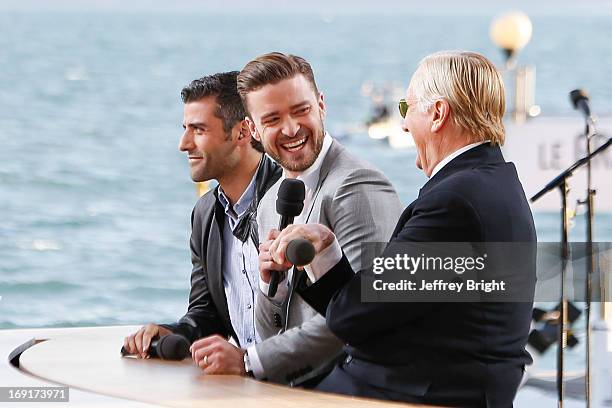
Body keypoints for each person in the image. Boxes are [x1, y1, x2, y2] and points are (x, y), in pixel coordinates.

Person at [264, 51, 537, 406]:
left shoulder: (454, 202)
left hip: (414, 392)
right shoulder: (494, 182)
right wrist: (325, 250)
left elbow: (357, 318)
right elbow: (379, 311)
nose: (404, 124)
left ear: (437, 114)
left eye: (408, 108)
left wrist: (324, 258)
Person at [190, 52, 402, 384]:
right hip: (290, 391)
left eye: (301, 110)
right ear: (254, 131)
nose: (291, 128)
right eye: (272, 119)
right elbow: (271, 330)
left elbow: (368, 316)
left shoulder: (358, 186)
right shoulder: (270, 201)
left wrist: (248, 361)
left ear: (321, 105)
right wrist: (269, 286)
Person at [123, 71, 281, 376]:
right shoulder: (205, 214)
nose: (184, 144)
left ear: (242, 133)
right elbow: (206, 314)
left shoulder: (293, 199)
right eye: (185, 128)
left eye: (198, 129)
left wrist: (251, 362)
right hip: (247, 386)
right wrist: (172, 333)